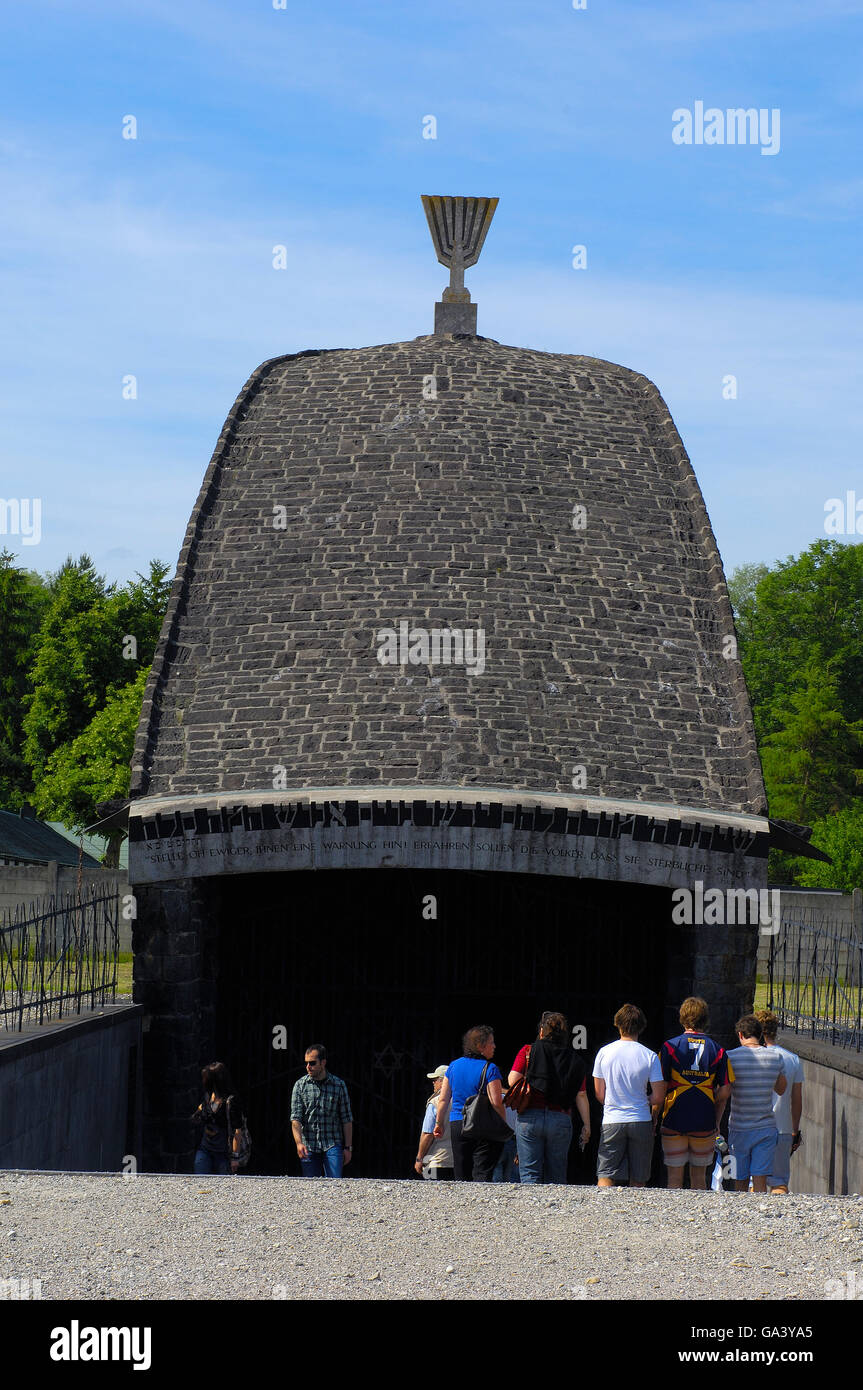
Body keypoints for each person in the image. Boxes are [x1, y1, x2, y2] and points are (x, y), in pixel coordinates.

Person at [507, 1010, 590, 1184]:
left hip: (530, 1117)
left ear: (542, 1031)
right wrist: (587, 1125)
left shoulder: (528, 1051)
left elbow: (512, 1079)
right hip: (560, 1118)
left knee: (530, 1173)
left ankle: (531, 1209)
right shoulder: (575, 1060)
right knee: (557, 1175)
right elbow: (581, 1095)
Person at [660, 997, 733, 1189]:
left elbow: (660, 1085)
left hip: (673, 1118)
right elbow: (725, 1090)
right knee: (700, 1178)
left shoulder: (669, 1047)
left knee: (674, 1179)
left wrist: (653, 1116)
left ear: (682, 1018)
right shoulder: (718, 1050)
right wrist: (710, 1104)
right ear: (705, 1019)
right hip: (704, 1120)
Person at [592, 1003, 666, 1188]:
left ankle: (602, 1210)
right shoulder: (649, 1056)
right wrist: (642, 1100)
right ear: (641, 1026)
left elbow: (600, 1094)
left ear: (618, 1024)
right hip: (640, 1118)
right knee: (638, 1177)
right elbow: (658, 1097)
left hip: (612, 1118)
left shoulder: (604, 1053)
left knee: (606, 1172)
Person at [434, 1025, 507, 1181]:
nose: (494, 1046)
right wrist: (503, 1123)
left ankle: (462, 1203)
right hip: (483, 1125)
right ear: (480, 1046)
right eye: (491, 1042)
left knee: (461, 1172)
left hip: (457, 1124)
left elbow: (444, 1099)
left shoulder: (453, 1066)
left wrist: (439, 1123)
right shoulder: (490, 1068)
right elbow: (496, 1102)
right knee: (482, 1172)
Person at [726, 1015, 787, 1194]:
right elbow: (781, 1089)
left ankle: (740, 1216)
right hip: (766, 1128)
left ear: (740, 1035)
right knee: (760, 1180)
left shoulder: (730, 1057)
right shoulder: (775, 1058)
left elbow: (726, 1090)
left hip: (738, 1128)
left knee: (739, 1180)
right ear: (760, 1035)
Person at [755, 1008, 804, 1195]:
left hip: (755, 1125)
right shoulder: (793, 1059)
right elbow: (797, 1099)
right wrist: (795, 1130)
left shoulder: (751, 1055)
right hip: (782, 1128)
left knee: (753, 1180)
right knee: (779, 1182)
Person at [290, 1042, 353, 1178]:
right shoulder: (300, 1086)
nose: (308, 1067)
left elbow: (346, 1119)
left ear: (323, 1062)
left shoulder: (339, 1085)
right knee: (311, 1187)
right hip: (309, 1146)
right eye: (306, 1063)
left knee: (334, 1183)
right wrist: (299, 1143)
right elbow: (296, 1119)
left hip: (332, 1144)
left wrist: (348, 1148)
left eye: (312, 1063)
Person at [192, 1062, 246, 1176]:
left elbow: (237, 1130)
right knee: (200, 1180)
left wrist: (235, 1157)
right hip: (205, 1148)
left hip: (223, 1153)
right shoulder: (208, 1096)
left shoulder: (230, 1101)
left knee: (221, 1186)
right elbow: (198, 1115)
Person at [414, 1065, 454, 1180]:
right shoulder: (462, 1101)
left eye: (435, 1080)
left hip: (435, 1160)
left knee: (431, 1195)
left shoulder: (434, 1102)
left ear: (443, 1081)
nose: (433, 1083)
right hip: (458, 1161)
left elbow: (427, 1134)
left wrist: (419, 1158)